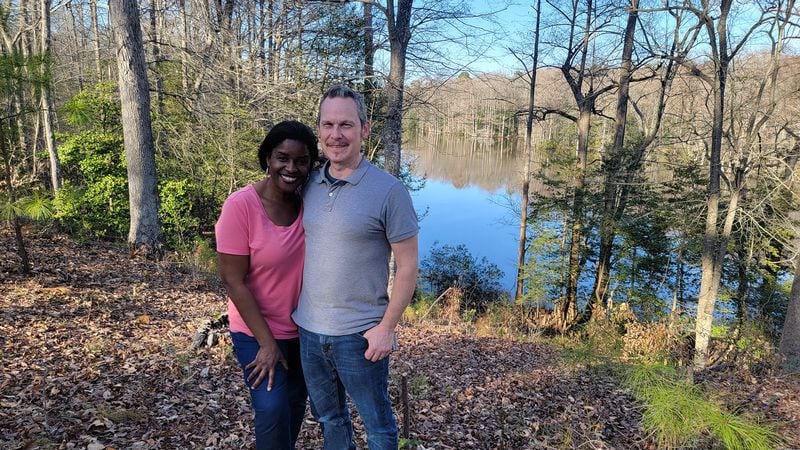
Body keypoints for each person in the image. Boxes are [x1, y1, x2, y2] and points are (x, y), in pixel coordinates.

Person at [292, 85, 419, 449]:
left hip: (361, 336)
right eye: (328, 124)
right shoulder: (308, 182)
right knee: (330, 419)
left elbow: (408, 267)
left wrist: (386, 328)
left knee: (378, 427)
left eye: (346, 125)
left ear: (364, 128)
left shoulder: (389, 190)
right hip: (309, 331)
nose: (336, 135)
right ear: (319, 130)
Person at [215, 120, 318, 449]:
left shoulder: (309, 201)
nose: (291, 168)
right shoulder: (241, 206)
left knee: (293, 403)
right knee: (271, 406)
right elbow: (232, 279)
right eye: (281, 158)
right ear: (267, 159)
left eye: (301, 160)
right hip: (254, 330)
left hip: (304, 330)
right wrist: (267, 343)